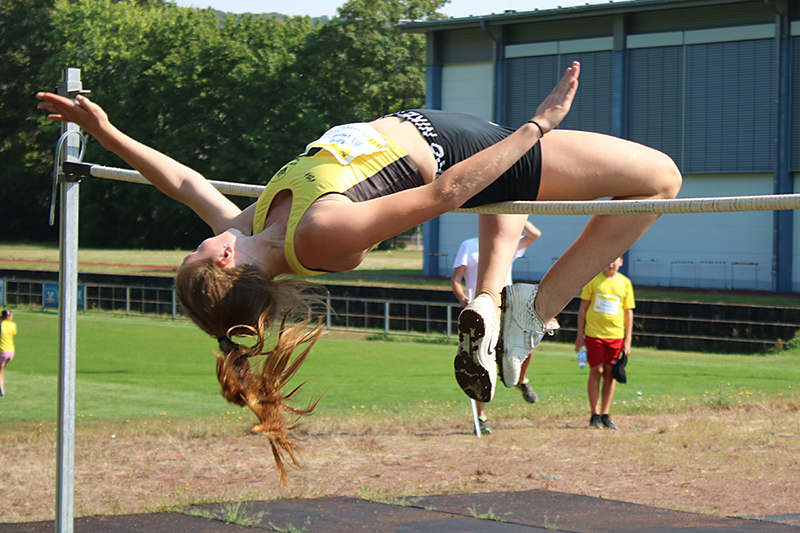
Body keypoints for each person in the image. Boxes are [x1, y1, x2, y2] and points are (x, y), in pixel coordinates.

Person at [36, 61, 681, 481]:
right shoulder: (317, 235)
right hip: (454, 154)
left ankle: (496, 309)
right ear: (225, 263)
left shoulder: (246, 227)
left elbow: (182, 180)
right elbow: (444, 196)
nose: (201, 241)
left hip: (447, 135)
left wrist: (109, 132)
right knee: (660, 179)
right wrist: (539, 125)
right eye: (197, 251)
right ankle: (533, 312)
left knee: (503, 206)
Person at [451, 221, 542, 433]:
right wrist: (462, 298)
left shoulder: (507, 243)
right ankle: (481, 417)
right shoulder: (469, 245)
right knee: (481, 361)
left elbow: (535, 234)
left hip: (506, 309)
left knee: (528, 344)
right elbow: (456, 279)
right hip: (480, 312)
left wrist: (517, 214)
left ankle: (520, 379)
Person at [574, 257, 634, 429]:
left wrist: (627, 339)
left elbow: (628, 313)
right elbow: (582, 309)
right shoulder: (593, 280)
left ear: (621, 262)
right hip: (595, 335)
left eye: (615, 261)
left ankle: (605, 414)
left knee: (610, 373)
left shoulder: (625, 283)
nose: (611, 264)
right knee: (596, 371)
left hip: (616, 336)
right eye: (608, 260)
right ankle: (594, 414)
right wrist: (580, 336)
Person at [0, 310, 18, 397]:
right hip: (11, 351)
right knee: (2, 370)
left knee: (0, 371)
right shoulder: (13, 325)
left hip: (2, 352)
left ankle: (2, 390)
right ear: (8, 317)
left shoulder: (1, 325)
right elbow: (13, 335)